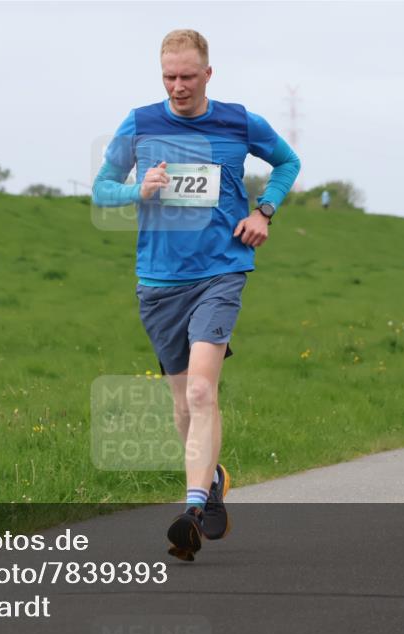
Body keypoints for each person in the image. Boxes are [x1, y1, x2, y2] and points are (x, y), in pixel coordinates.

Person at [91, 29, 300, 560]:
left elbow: (288, 163)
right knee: (183, 403)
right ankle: (211, 484)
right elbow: (101, 187)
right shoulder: (140, 124)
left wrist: (264, 211)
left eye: (187, 76)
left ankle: (189, 510)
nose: (178, 86)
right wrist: (138, 189)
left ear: (209, 74)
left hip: (221, 270)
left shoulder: (238, 121)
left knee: (204, 393)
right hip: (159, 283)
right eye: (169, 77)